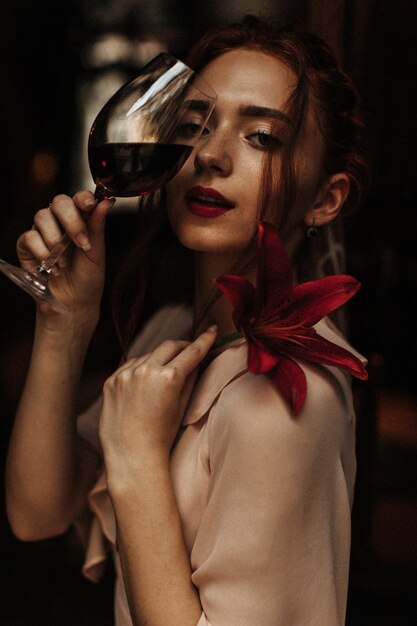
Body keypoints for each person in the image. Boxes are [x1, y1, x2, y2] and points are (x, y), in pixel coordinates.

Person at [5, 15, 369, 626]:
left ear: (326, 199)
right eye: (192, 125)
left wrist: (137, 457)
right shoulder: (172, 332)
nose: (209, 155)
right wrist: (64, 320)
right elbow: (36, 513)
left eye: (262, 137)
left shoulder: (280, 397)